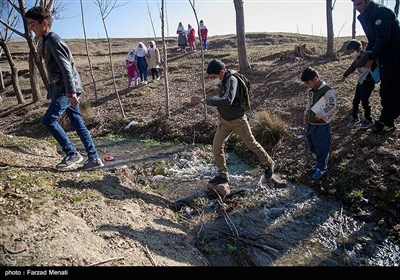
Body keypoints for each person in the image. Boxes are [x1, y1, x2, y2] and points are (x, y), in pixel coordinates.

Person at [25, 6, 104, 170]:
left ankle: (72, 153)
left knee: (48, 119)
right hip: (64, 88)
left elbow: (66, 68)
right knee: (77, 122)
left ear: (44, 23)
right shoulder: (47, 40)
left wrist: (71, 93)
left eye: (33, 24)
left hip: (65, 89)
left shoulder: (53, 40)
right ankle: (94, 158)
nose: (31, 28)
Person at [191, 59, 275, 185]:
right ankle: (223, 176)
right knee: (217, 147)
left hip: (238, 121)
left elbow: (227, 100)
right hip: (224, 121)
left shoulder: (232, 80)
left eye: (213, 77)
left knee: (251, 143)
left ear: (222, 72)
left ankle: (269, 163)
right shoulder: (223, 79)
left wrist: (204, 100)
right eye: (210, 77)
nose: (212, 80)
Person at [353, 0, 400, 134]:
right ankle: (386, 119)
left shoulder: (381, 12)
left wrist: (372, 57)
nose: (357, 7)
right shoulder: (367, 15)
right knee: (386, 90)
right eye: (354, 4)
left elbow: (383, 38)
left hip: (395, 58)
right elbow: (373, 41)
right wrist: (366, 58)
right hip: (386, 59)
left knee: (390, 90)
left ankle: (388, 123)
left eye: (359, 3)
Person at [301, 67, 337, 180]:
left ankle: (322, 167)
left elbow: (333, 105)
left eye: (308, 82)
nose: (307, 85)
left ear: (315, 79)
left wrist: (321, 114)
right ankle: (318, 161)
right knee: (311, 143)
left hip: (321, 124)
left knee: (322, 146)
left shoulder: (326, 90)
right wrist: (306, 114)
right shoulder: (311, 91)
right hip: (312, 123)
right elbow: (309, 103)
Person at [341, 39, 376, 129]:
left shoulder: (366, 55)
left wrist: (360, 64)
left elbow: (368, 54)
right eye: (350, 53)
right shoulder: (357, 58)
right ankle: (355, 118)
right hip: (361, 82)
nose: (351, 54)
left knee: (365, 101)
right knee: (355, 101)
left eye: (352, 52)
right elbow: (352, 67)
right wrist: (345, 75)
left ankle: (369, 119)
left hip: (368, 82)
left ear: (359, 48)